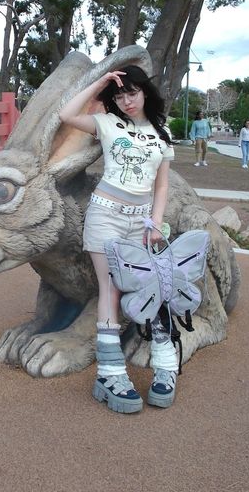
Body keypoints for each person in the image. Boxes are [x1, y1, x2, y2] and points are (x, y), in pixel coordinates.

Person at [59, 65, 177, 414]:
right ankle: (110, 374)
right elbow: (66, 114)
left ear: (145, 92)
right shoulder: (107, 123)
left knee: (149, 286)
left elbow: (162, 184)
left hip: (141, 223)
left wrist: (156, 222)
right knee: (109, 288)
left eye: (132, 93)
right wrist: (99, 84)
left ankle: (165, 364)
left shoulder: (162, 131)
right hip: (105, 215)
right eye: (120, 95)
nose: (126, 101)